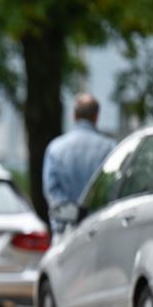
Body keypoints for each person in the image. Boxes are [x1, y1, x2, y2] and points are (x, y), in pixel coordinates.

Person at [42, 93, 116, 232]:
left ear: (74, 115)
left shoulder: (55, 148)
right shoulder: (110, 148)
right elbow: (113, 188)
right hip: (99, 228)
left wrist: (70, 214)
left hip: (64, 229)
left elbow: (51, 190)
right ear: (96, 116)